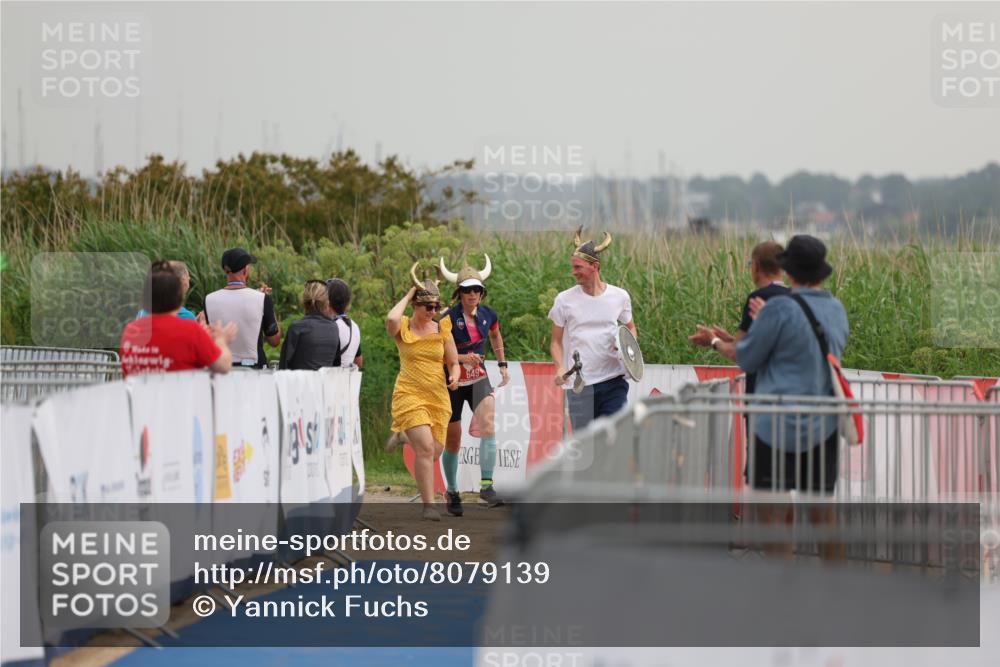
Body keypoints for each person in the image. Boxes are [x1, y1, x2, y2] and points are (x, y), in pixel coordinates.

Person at [704, 235, 849, 497]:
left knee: (772, 509)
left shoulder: (777, 308)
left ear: (789, 269)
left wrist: (715, 340)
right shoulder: (836, 309)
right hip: (823, 423)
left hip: (775, 423)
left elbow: (745, 358)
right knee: (823, 513)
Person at [385, 263, 460, 521]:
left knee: (435, 451)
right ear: (416, 305)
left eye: (436, 307)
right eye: (428, 306)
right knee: (426, 450)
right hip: (409, 393)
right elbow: (391, 319)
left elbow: (453, 362)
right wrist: (408, 294)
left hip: (438, 397)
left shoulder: (442, 329)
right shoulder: (403, 327)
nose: (433, 311)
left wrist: (455, 375)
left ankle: (403, 436)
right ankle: (429, 506)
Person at [438, 254, 510, 514]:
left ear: (482, 293)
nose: (472, 295)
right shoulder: (446, 317)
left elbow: (496, 337)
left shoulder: (489, 314)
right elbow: (438, 352)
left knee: (488, 424)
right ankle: (453, 491)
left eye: (476, 290)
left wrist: (502, 364)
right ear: (459, 293)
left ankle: (486, 488)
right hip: (452, 381)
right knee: (453, 443)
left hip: (479, 377)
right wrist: (461, 357)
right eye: (467, 290)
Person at [549, 227, 637, 431]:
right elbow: (555, 341)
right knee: (585, 449)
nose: (574, 272)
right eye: (573, 267)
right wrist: (560, 368)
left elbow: (631, 329)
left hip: (613, 381)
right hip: (580, 386)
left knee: (615, 440)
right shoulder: (564, 300)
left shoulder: (620, 296)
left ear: (594, 266)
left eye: (578, 267)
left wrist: (626, 349)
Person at [689, 241, 790, 396]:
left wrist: (713, 341)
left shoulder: (759, 298)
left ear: (756, 266)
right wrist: (729, 339)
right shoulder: (794, 297)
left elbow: (737, 353)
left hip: (762, 397)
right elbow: (766, 348)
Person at [120, 262, 236, 377]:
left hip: (141, 395)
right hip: (177, 395)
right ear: (179, 294)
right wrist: (221, 340)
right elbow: (223, 365)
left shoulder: (130, 331)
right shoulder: (190, 330)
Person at [204, 248, 281, 369]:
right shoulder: (262, 299)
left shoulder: (209, 299)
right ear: (245, 269)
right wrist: (268, 304)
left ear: (226, 269)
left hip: (221, 366)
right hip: (254, 368)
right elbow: (274, 341)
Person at [278, 280, 342, 370]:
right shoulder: (334, 327)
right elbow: (336, 366)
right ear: (326, 302)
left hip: (298, 383)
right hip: (324, 383)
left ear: (304, 301)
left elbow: (283, 366)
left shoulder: (296, 328)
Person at [327, 278, 363, 369]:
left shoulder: (328, 326)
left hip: (328, 380)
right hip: (345, 381)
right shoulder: (354, 326)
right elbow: (359, 362)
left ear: (327, 301)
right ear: (347, 302)